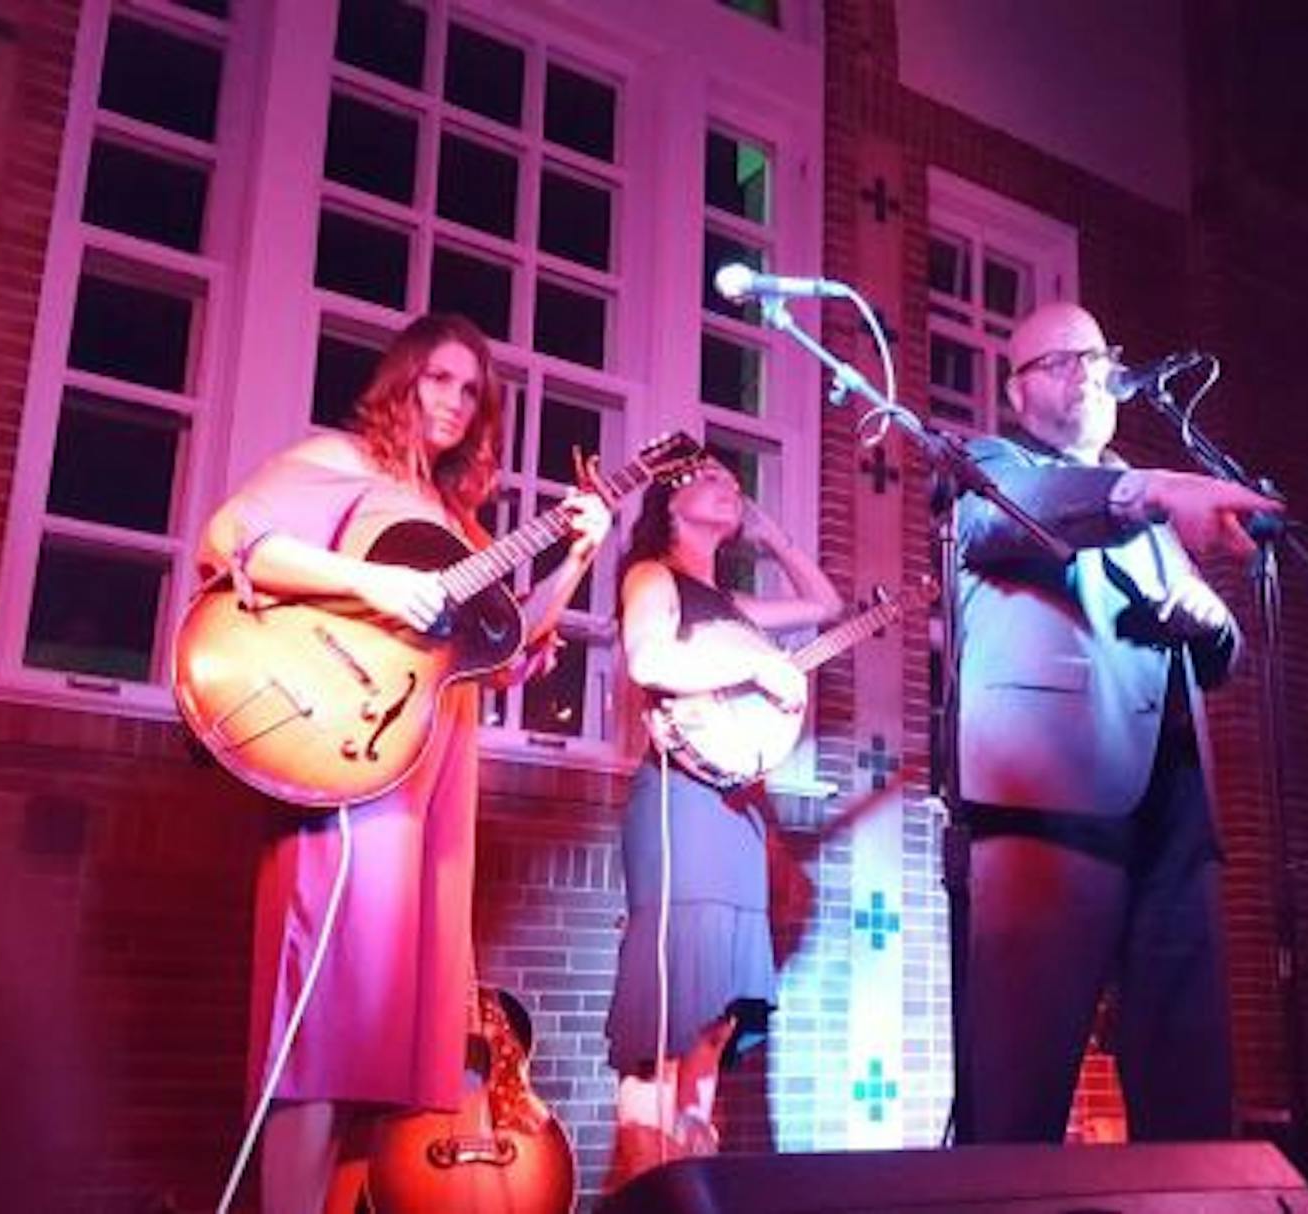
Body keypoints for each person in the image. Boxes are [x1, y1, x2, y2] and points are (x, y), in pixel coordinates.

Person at [195, 313, 611, 1214]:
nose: (456, 402)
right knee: (324, 1035)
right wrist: (377, 583)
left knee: (390, 1046)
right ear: (402, 380)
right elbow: (232, 538)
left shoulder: (458, 522)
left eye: (473, 391)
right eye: (440, 380)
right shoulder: (347, 462)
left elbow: (506, 654)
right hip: (355, 761)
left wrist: (581, 552)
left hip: (435, 777)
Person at [953, 301, 1281, 1144]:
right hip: (1049, 805)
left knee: (1192, 1099)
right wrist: (1150, 492)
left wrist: (1213, 625)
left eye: (1097, 355)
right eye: (1060, 360)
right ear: (1016, 393)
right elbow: (1011, 513)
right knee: (1019, 1103)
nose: (1088, 371)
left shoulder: (1149, 498)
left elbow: (1219, 654)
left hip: (1175, 815)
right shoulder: (990, 462)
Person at [602, 456, 842, 1190]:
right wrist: (763, 669)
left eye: (736, 482)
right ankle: (644, 1190)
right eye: (708, 478)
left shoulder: (731, 603)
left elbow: (825, 604)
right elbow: (647, 658)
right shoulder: (651, 576)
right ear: (671, 505)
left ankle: (690, 1181)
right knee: (667, 1018)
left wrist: (768, 532)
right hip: (678, 799)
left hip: (737, 811)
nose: (728, 485)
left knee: (713, 1017)